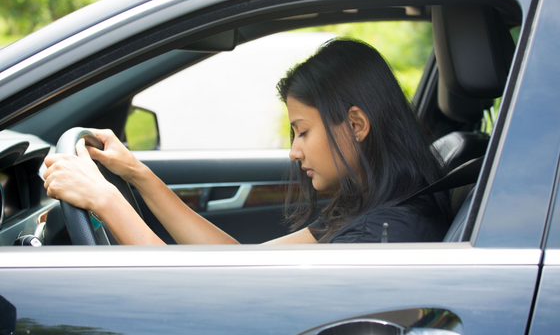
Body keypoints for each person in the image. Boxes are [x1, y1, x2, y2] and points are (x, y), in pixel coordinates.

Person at [43, 38, 450, 245]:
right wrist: (137, 174)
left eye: (303, 131)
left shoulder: (381, 236)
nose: (294, 150)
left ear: (356, 124)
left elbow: (195, 293)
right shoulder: (372, 206)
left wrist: (105, 200)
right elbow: (238, 263)